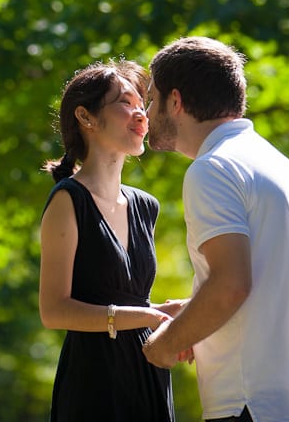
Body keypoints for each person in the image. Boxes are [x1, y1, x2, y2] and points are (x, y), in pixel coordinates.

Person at [141, 36, 289, 422]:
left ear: (175, 102)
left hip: (249, 408)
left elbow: (231, 286)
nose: (145, 112)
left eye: (151, 99)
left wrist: (165, 345)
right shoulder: (285, 169)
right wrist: (196, 315)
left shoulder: (213, 169)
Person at [38, 59, 177, 422]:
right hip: (94, 381)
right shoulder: (68, 200)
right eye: (125, 104)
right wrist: (143, 316)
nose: (142, 116)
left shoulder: (147, 206)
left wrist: (173, 315)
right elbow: (53, 311)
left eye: (141, 106)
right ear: (86, 117)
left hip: (148, 370)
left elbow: (138, 301)